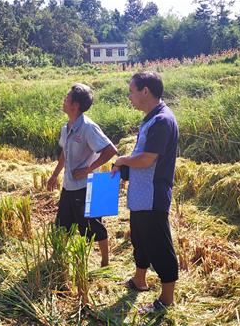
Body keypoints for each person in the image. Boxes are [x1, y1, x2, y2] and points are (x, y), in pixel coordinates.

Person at [112, 72, 179, 312]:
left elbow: (148, 159)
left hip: (152, 195)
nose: (129, 96)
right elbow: (141, 156)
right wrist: (124, 171)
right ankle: (139, 280)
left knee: (159, 245)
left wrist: (121, 160)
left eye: (131, 91)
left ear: (145, 91)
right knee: (140, 241)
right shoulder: (150, 118)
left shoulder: (162, 120)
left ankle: (167, 300)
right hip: (141, 195)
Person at [47, 83, 117, 267]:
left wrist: (87, 169)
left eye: (67, 98)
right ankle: (58, 260)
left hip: (87, 187)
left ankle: (105, 262)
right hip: (68, 186)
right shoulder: (66, 127)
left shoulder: (88, 127)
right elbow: (64, 153)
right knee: (62, 226)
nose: (64, 100)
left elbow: (110, 150)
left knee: (93, 227)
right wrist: (54, 175)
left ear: (75, 105)